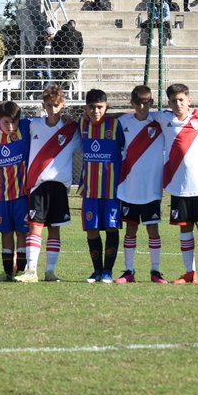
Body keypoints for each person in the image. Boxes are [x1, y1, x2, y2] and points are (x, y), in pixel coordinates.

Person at [154, 83, 198, 284]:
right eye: (174, 101)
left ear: (189, 100)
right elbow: (136, 114)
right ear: (169, 102)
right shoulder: (164, 118)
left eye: (181, 100)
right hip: (178, 185)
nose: (178, 104)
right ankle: (189, 273)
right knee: (184, 228)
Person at [15, 85, 79, 283]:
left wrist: (74, 121)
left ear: (63, 105)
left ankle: (50, 271)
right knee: (35, 226)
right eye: (49, 105)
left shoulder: (71, 130)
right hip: (38, 185)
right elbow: (10, 123)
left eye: (56, 105)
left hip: (59, 186)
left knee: (55, 228)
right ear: (43, 105)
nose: (52, 109)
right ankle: (31, 270)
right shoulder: (33, 124)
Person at [116, 85, 167, 284]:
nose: (142, 107)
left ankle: (156, 271)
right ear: (132, 103)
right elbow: (104, 121)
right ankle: (129, 271)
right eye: (138, 103)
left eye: (146, 103)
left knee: (152, 230)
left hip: (152, 188)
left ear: (152, 103)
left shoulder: (160, 121)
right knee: (130, 230)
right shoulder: (123, 122)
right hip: (129, 187)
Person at [78, 89, 124, 284]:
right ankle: (96, 270)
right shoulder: (81, 124)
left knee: (112, 228)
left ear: (106, 107)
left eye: (100, 107)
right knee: (92, 229)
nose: (96, 111)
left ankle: (108, 271)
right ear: (85, 107)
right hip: (90, 189)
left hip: (112, 189)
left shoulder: (115, 125)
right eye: (92, 107)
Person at [0, 101, 28, 281]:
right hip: (1, 194)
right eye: (5, 122)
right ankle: (7, 272)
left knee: (21, 232)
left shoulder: (26, 128)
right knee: (5, 232)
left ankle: (20, 271)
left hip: (22, 194)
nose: (10, 126)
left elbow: (48, 121)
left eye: (14, 122)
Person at [51, 19, 84, 90]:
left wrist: (59, 52)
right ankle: (64, 92)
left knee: (58, 77)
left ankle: (59, 91)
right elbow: (81, 46)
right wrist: (77, 54)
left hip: (59, 61)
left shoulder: (59, 33)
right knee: (69, 76)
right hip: (72, 61)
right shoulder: (77, 33)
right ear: (74, 25)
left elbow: (53, 44)